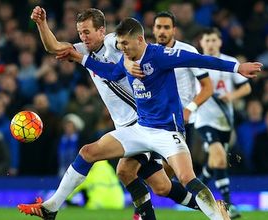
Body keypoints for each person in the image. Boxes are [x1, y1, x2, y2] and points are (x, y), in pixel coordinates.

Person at [39, 17, 260, 219]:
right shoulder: (125, 61)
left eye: (126, 44)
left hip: (167, 131)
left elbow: (200, 60)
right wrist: (84, 59)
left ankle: (219, 215)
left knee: (185, 178)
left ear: (140, 39)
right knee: (90, 153)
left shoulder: (160, 56)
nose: (123, 49)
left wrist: (237, 67)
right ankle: (51, 207)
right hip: (140, 128)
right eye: (121, 45)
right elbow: (111, 73)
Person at [19, 7, 212, 220]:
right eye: (80, 32)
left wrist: (128, 62)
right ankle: (215, 209)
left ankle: (52, 207)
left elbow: (134, 51)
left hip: (143, 121)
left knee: (92, 155)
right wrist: (41, 23)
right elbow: (54, 47)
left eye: (87, 32)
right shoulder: (83, 50)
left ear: (102, 31)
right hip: (125, 127)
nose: (83, 37)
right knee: (160, 186)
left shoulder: (114, 42)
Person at [116, 11, 214, 218]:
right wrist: (125, 61)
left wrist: (190, 109)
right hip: (153, 122)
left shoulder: (185, 51)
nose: (161, 31)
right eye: (158, 27)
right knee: (152, 178)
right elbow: (117, 47)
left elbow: (207, 87)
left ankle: (212, 206)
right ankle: (142, 213)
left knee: (166, 180)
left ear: (174, 30)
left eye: (166, 27)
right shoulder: (144, 52)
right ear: (152, 30)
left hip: (180, 121)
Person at [196, 28, 252, 219]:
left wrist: (231, 96)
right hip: (203, 119)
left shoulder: (230, 62)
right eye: (207, 40)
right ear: (201, 43)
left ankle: (198, 190)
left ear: (219, 42)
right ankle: (229, 204)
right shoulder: (195, 62)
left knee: (214, 161)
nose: (210, 43)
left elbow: (246, 87)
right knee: (219, 156)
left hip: (225, 120)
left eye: (213, 40)